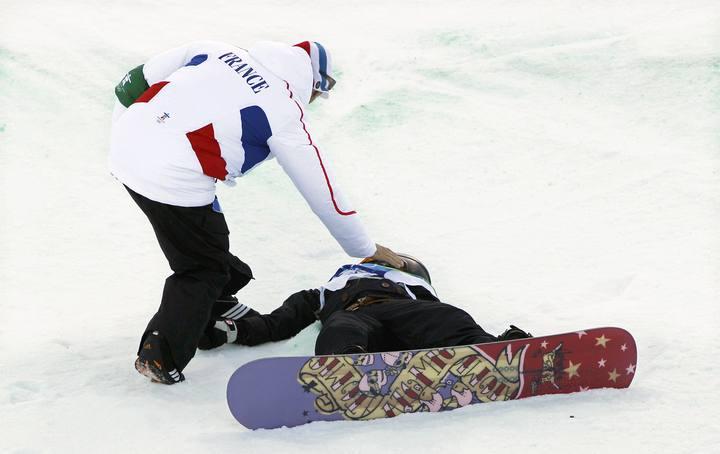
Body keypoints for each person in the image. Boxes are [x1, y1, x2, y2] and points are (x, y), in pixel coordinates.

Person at [109, 40, 405, 384]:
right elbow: (322, 191)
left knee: (208, 239)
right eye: (319, 94)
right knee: (201, 268)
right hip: (173, 174)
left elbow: (130, 83)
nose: (313, 102)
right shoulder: (284, 111)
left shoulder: (217, 49)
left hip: (126, 148)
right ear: (313, 81)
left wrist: (128, 136)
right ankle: (161, 353)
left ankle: (213, 310)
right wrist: (365, 249)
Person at [198, 254, 532, 355]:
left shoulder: (410, 287)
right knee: (343, 327)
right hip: (359, 323)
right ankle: (345, 365)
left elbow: (436, 319)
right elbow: (278, 322)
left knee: (448, 316)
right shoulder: (321, 294)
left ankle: (492, 352)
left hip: (402, 314)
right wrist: (232, 331)